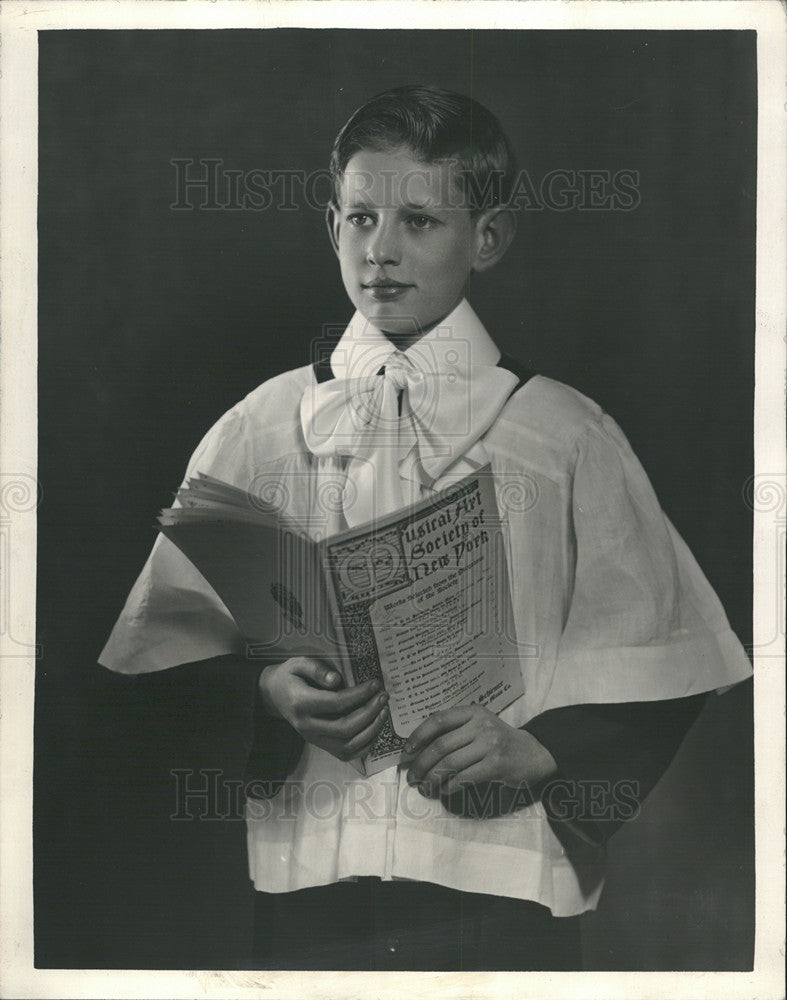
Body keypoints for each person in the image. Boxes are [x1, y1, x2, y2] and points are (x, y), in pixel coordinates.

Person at [99, 85, 753, 971]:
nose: (382, 252)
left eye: (419, 221)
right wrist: (267, 695)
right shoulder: (261, 424)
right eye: (362, 218)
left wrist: (541, 750)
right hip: (310, 867)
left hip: (495, 872)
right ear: (330, 225)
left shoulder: (560, 434)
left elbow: (664, 658)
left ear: (487, 238)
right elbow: (160, 656)